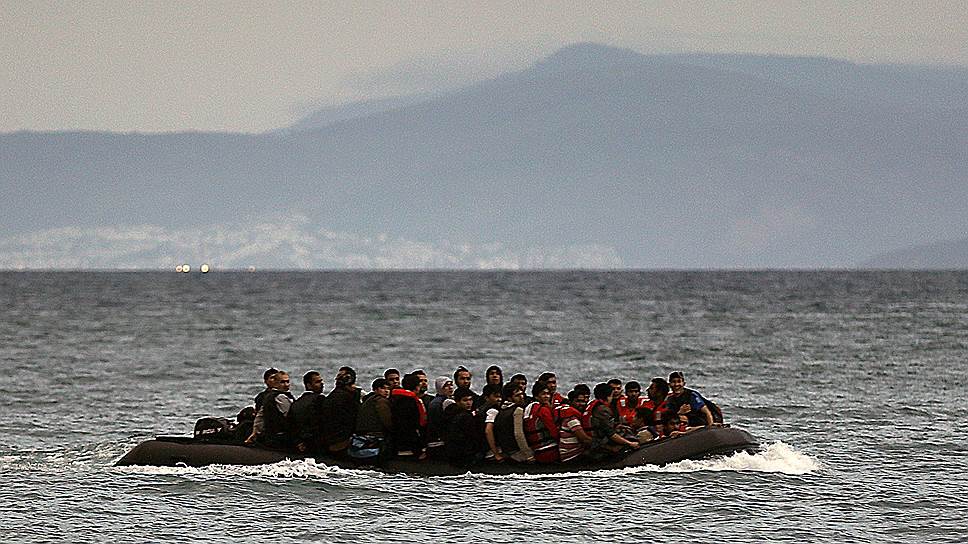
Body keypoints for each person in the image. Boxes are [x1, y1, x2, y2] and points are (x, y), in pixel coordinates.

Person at [582, 383, 639, 458]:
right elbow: (610, 434)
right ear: (607, 396)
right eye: (611, 395)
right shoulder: (602, 409)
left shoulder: (593, 404)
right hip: (596, 442)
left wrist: (617, 425)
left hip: (592, 438)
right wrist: (630, 443)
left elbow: (602, 424)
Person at [319, 366, 361, 455]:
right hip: (342, 442)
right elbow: (355, 419)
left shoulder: (332, 396)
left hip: (329, 441)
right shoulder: (348, 398)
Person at [350, 378, 392, 463]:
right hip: (374, 434)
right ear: (375, 390)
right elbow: (387, 421)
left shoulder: (370, 400)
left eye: (388, 389)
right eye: (383, 388)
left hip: (362, 433)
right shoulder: (381, 401)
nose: (386, 391)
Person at [493, 383, 534, 463]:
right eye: (517, 395)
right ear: (509, 398)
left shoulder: (502, 410)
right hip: (517, 452)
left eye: (522, 394)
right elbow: (518, 434)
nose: (522, 397)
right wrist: (528, 454)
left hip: (506, 451)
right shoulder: (517, 410)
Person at [390, 372, 428, 458]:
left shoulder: (396, 399)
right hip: (410, 445)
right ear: (416, 387)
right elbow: (414, 425)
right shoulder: (412, 401)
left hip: (397, 442)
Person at [442, 387, 482, 466]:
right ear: (457, 401)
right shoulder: (465, 417)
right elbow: (472, 436)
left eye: (470, 400)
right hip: (465, 454)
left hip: (453, 453)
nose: (469, 403)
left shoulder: (450, 413)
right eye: (465, 400)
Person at [256, 370, 294, 448]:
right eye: (282, 382)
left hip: (271, 436)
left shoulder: (268, 396)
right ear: (276, 383)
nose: (286, 385)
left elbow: (259, 417)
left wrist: (256, 432)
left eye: (287, 382)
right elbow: (292, 416)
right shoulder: (280, 397)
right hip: (281, 437)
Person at [523, 381, 559, 463]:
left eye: (548, 394)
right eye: (543, 394)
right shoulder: (543, 410)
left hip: (537, 451)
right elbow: (554, 432)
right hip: (550, 451)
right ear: (536, 396)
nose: (547, 396)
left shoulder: (529, 408)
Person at [289, 370, 325, 452]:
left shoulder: (297, 402)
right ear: (309, 385)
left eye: (321, 381)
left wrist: (299, 441)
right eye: (318, 382)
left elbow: (291, 425)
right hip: (315, 442)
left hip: (300, 443)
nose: (322, 384)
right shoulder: (319, 399)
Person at [557, 389, 593, 462]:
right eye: (578, 401)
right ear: (571, 402)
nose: (581, 404)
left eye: (583, 401)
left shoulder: (572, 415)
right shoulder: (571, 419)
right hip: (572, 456)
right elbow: (584, 439)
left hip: (574, 453)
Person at [246, 367, 279, 445]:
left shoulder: (284, 395)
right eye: (272, 378)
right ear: (266, 381)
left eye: (277, 378)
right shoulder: (262, 397)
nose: (275, 380)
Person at [425, 377, 456, 458]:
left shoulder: (436, 401)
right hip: (439, 442)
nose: (450, 387)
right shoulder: (442, 402)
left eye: (451, 385)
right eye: (446, 386)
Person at [477, 383, 505, 462]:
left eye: (500, 396)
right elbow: (488, 431)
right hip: (490, 451)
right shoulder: (492, 411)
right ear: (486, 398)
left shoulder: (481, 409)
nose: (499, 399)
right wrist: (496, 454)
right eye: (496, 396)